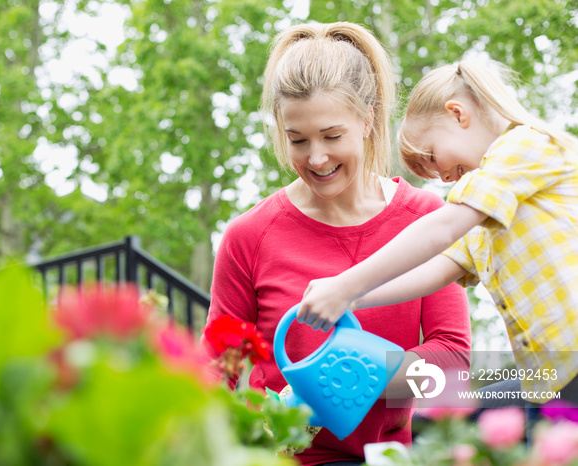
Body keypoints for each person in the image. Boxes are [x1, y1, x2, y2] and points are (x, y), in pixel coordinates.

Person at [201, 22, 471, 466]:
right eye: (297, 140)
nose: (316, 158)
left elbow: (454, 368)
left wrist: (352, 373)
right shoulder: (248, 237)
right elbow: (215, 372)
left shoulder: (427, 220)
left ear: (367, 119)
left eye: (331, 136)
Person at [297, 59, 578, 407]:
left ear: (457, 115)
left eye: (431, 156)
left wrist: (347, 283)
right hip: (552, 378)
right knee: (455, 421)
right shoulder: (484, 217)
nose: (442, 178)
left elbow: (441, 230)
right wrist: (354, 299)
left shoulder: (524, 147)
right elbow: (436, 269)